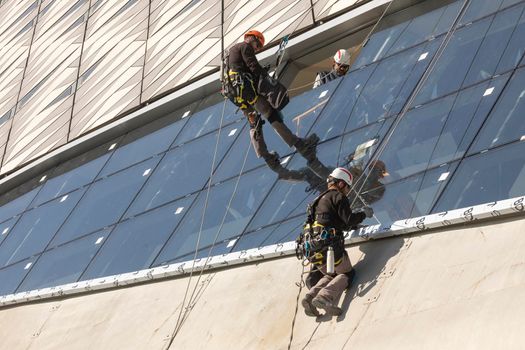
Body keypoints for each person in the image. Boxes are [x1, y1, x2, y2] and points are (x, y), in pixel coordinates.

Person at [222, 30, 320, 175]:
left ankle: (266, 156)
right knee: (270, 113)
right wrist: (267, 78)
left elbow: (242, 69)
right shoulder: (244, 46)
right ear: (252, 38)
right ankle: (300, 145)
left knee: (254, 121)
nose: (257, 49)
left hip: (235, 94)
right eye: (258, 45)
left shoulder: (230, 53)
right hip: (245, 89)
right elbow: (253, 66)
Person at [299, 167, 373, 317]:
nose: (347, 191)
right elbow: (349, 220)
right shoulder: (338, 197)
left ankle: (310, 297)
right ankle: (324, 297)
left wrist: (353, 225)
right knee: (347, 273)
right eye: (347, 187)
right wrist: (364, 214)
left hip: (311, 249)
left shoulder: (316, 201)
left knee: (331, 275)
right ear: (340, 184)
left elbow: (338, 223)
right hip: (329, 248)